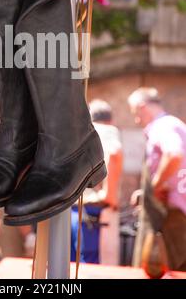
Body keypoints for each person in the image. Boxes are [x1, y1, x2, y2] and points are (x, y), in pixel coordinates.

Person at [128, 87, 186, 271]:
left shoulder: (163, 126)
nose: (136, 120)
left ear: (142, 106)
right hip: (171, 215)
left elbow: (174, 154)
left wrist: (155, 185)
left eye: (135, 113)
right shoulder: (172, 125)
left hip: (173, 218)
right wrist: (145, 191)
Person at [71, 99, 123, 265]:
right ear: (111, 119)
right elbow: (115, 154)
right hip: (94, 212)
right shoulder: (108, 131)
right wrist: (110, 195)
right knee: (92, 267)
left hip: (73, 208)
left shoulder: (80, 132)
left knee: (69, 266)